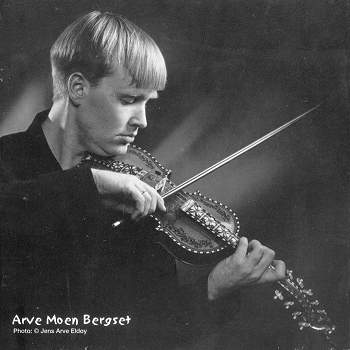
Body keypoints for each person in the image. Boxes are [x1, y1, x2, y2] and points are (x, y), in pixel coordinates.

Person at [0, 11, 286, 349]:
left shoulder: (132, 193)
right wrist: (90, 187)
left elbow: (143, 328)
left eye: (148, 103)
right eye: (129, 99)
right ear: (78, 87)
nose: (143, 121)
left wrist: (215, 287)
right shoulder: (8, 160)